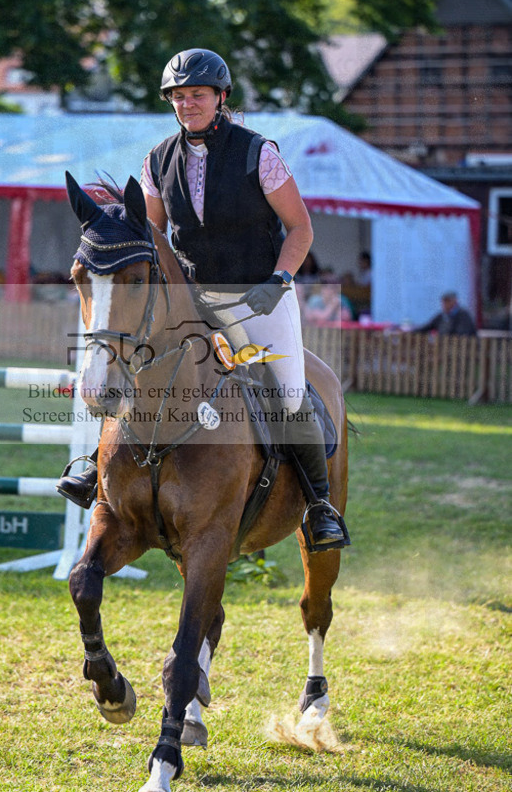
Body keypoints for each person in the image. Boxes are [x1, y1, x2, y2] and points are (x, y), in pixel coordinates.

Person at [57, 48, 347, 551]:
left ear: (220, 97)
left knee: (287, 393)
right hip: (192, 300)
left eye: (197, 95)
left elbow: (300, 228)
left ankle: (319, 506)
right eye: (178, 96)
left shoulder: (259, 154)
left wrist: (279, 279)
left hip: (259, 295)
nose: (187, 104)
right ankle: (96, 471)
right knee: (131, 360)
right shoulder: (157, 160)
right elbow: (150, 236)